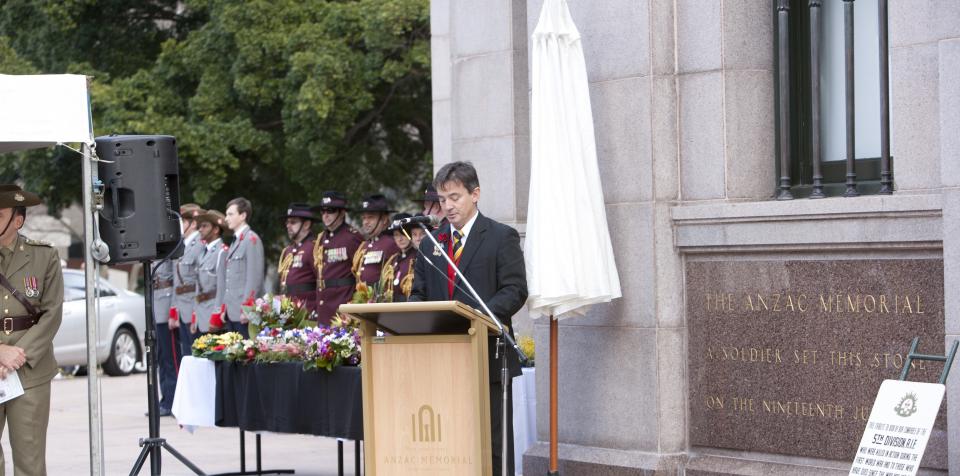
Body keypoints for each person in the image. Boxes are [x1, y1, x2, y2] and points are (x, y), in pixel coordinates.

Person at [408, 162, 527, 476]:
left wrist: (476, 316)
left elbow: (515, 289)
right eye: (442, 199)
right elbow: (418, 293)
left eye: (455, 197)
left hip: (488, 357)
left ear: (475, 194)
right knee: (450, 444)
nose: (447, 206)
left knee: (492, 446)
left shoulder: (501, 236)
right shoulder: (432, 243)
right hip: (442, 360)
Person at [0, 185, 63, 475]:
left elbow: (52, 313)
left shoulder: (44, 256)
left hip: (29, 370)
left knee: (29, 458)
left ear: (17, 220)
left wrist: (19, 354)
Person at [311, 191, 363, 325]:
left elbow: (360, 275)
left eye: (331, 210)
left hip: (342, 308)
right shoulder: (321, 238)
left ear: (342, 212)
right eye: (322, 211)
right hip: (323, 307)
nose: (326, 215)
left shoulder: (352, 237)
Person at [221, 197, 264, 338]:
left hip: (244, 313)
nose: (226, 218)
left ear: (243, 215)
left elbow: (254, 278)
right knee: (235, 357)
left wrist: (248, 309)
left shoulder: (251, 239)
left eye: (230, 214)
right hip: (233, 311)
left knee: (247, 356)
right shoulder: (236, 242)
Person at [171, 204, 205, 358]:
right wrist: (174, 308)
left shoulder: (199, 244)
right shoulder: (181, 245)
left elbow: (200, 281)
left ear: (193, 224)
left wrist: (196, 311)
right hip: (183, 306)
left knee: (198, 355)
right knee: (187, 355)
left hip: (193, 306)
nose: (179, 226)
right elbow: (177, 281)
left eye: (183, 222)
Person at [351, 194, 400, 292]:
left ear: (384, 219)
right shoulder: (364, 245)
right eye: (364, 218)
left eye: (370, 217)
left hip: (380, 302)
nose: (365, 222)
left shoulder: (392, 244)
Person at [278, 203, 318, 315]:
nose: (288, 226)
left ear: (306, 224)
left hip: (308, 312)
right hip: (289, 312)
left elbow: (321, 282)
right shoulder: (288, 251)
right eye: (287, 222)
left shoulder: (314, 248)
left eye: (293, 222)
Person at [192, 210, 228, 335]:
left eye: (204, 226)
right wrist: (195, 314)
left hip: (213, 314)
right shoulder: (202, 253)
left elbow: (222, 287)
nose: (200, 229)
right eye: (200, 226)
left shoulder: (222, 252)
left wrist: (217, 314)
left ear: (216, 229)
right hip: (201, 314)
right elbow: (198, 286)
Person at [381, 213, 417, 302]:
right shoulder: (393, 259)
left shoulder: (417, 257)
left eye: (403, 234)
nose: (400, 239)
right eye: (396, 235)